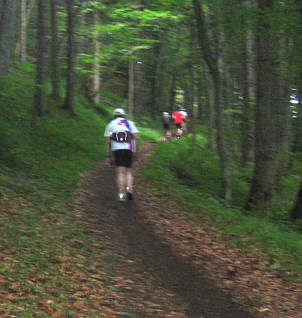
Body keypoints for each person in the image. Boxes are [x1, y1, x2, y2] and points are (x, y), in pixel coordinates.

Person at [104, 108, 139, 201]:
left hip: (117, 149)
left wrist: (108, 156)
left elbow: (108, 142)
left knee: (120, 172)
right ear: (123, 115)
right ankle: (130, 189)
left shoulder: (110, 124)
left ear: (114, 115)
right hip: (129, 149)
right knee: (129, 171)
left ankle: (121, 194)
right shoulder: (129, 123)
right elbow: (136, 137)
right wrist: (136, 150)